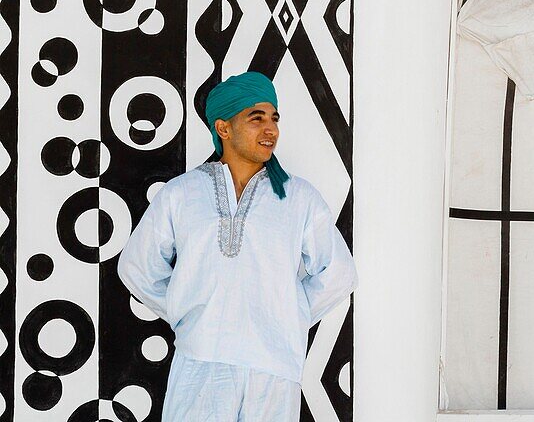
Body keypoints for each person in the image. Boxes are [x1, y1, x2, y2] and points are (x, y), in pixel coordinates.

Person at [118, 71, 358, 421]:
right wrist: (187, 312)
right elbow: (137, 267)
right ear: (223, 128)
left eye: (274, 118)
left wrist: (286, 314)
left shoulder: (298, 197)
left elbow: (339, 273)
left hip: (273, 369)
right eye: (256, 118)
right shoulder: (182, 194)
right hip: (200, 361)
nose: (270, 129)